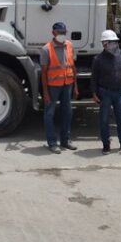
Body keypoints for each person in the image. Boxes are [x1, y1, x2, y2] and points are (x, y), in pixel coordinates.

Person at [91, 30, 121, 155]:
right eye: (112, 42)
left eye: (115, 42)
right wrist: (94, 93)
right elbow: (94, 78)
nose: (114, 45)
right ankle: (106, 145)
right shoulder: (98, 59)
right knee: (104, 120)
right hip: (105, 93)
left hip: (118, 93)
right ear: (105, 44)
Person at [41, 21, 78, 153]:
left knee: (67, 113)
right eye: (59, 33)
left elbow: (73, 67)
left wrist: (75, 86)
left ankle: (65, 140)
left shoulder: (69, 46)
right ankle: (52, 143)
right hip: (52, 87)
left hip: (67, 85)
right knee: (49, 114)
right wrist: (45, 92)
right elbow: (44, 73)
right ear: (53, 33)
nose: (62, 35)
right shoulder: (46, 49)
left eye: (64, 33)